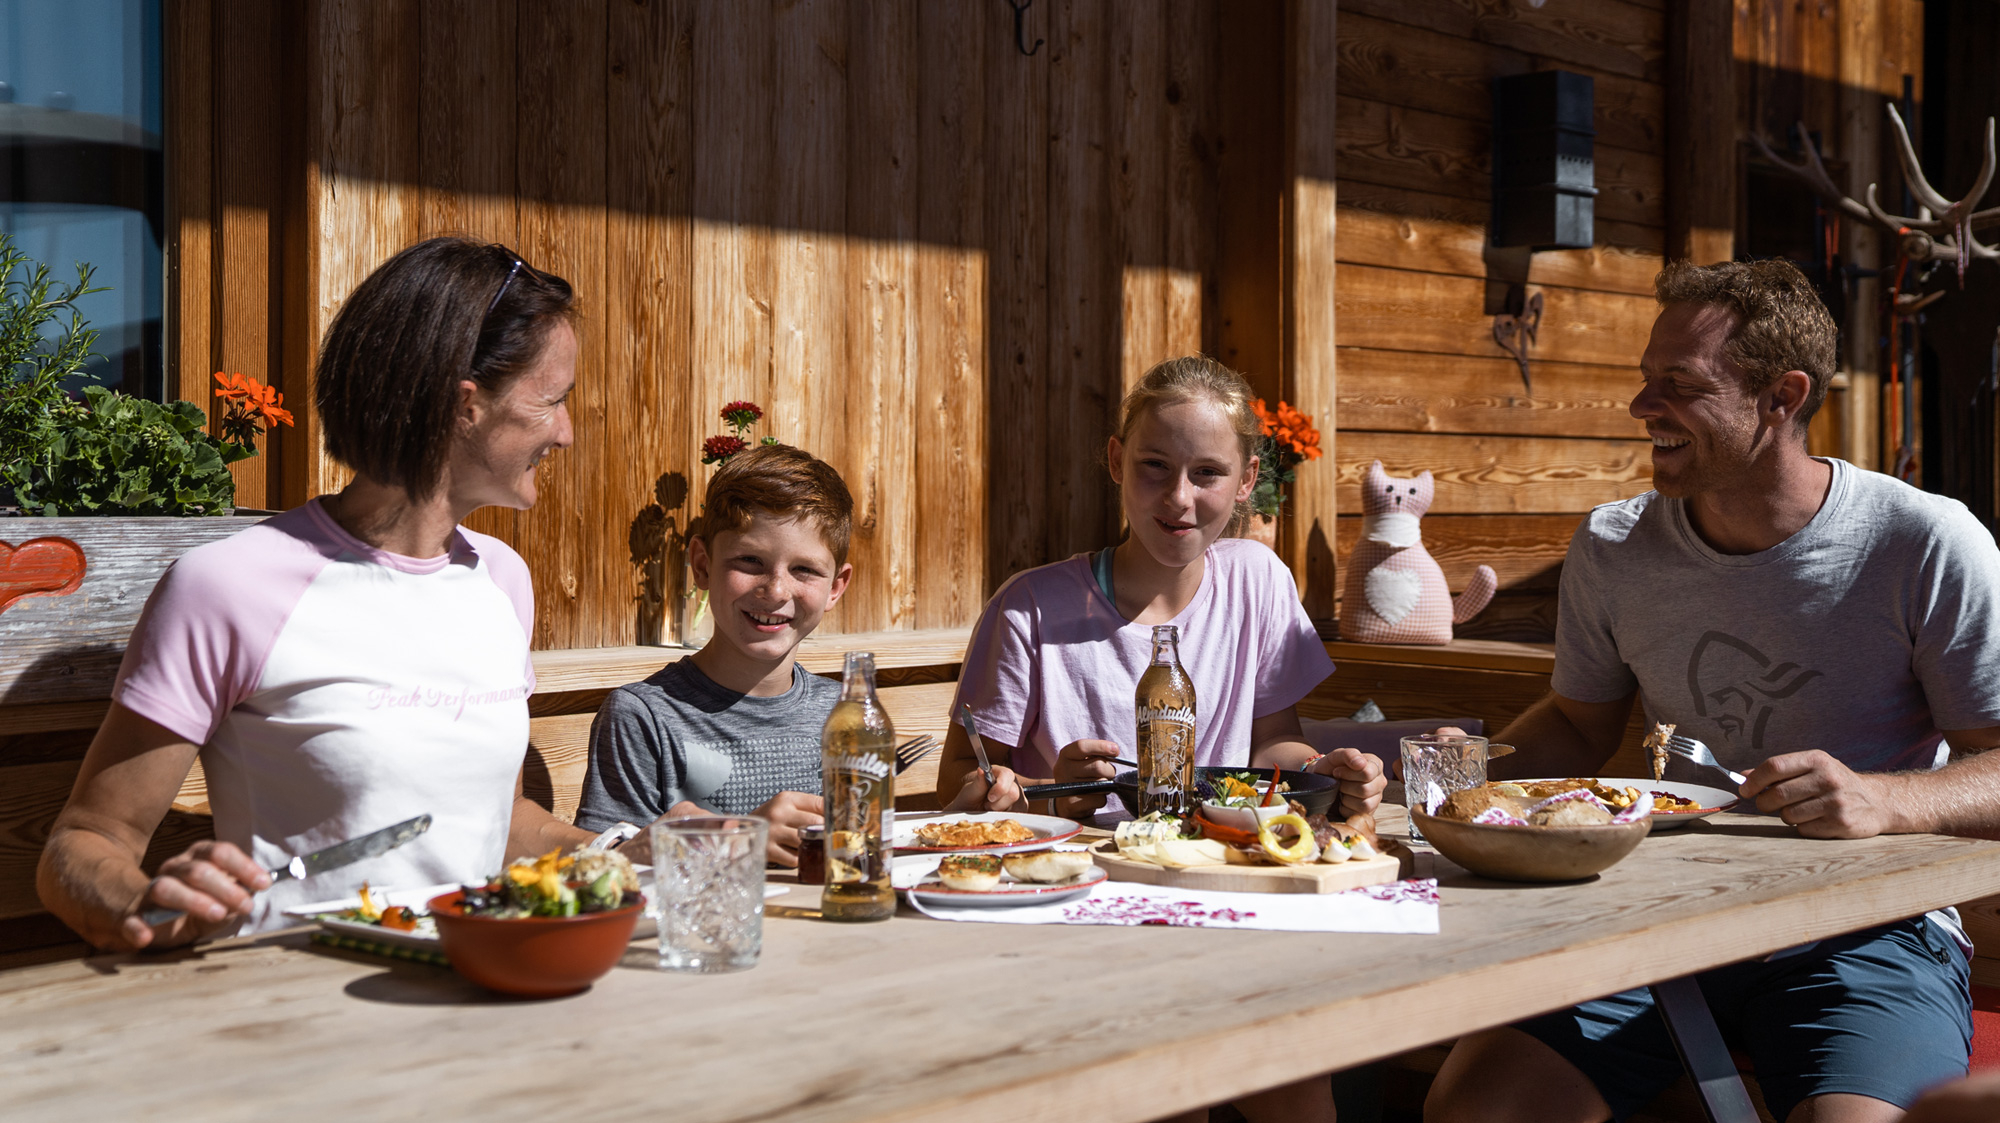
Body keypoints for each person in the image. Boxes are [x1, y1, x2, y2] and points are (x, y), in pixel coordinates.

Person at [1425, 260, 2000, 1123]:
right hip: (1653, 919)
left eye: (1679, 385)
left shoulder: (1925, 541)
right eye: (1645, 379)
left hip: (1867, 938)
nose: (1641, 406)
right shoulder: (1613, 541)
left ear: (1782, 397)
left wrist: (1880, 798)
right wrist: (1451, 774)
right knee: (1478, 1110)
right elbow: (1579, 728)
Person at [36, 237, 627, 950]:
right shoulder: (231, 586)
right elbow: (86, 840)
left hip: (476, 995)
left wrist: (631, 850)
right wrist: (148, 901)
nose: (565, 433)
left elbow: (492, 821)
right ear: (463, 406)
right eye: (553, 401)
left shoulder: (501, 578)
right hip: (290, 1013)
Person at [934, 354, 1386, 1123]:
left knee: (1295, 1071)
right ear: (1116, 461)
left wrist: (1323, 771)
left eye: (1208, 473)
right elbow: (962, 791)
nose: (1180, 499)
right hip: (1083, 909)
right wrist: (1058, 796)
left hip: (1226, 884)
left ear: (1247, 482)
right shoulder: (1031, 609)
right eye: (1153, 467)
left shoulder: (1259, 579)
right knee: (1167, 1085)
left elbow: (1272, 744)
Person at [575, 443, 852, 866]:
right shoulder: (643, 717)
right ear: (702, 565)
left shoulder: (846, 713)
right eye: (750, 561)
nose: (775, 591)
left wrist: (956, 812)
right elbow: (607, 876)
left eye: (804, 570)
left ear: (835, 587)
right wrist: (741, 840)